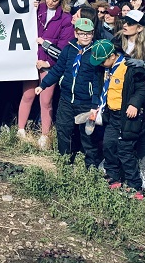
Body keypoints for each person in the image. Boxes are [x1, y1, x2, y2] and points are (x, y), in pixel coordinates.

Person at [37, 17, 101, 165]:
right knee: (63, 130)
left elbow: (97, 80)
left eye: (89, 33)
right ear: (76, 33)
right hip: (66, 99)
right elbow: (58, 69)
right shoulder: (69, 48)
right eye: (82, 33)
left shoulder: (95, 52)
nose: (85, 36)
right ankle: (64, 162)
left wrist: (95, 103)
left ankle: (90, 166)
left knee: (87, 135)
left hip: (85, 102)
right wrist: (44, 84)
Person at [91, 39, 145, 198]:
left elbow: (143, 89)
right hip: (112, 116)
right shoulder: (105, 69)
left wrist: (134, 104)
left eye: (103, 61)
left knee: (125, 151)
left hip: (128, 117)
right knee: (109, 145)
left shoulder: (130, 68)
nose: (101, 64)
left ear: (112, 56)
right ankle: (113, 178)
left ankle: (134, 186)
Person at [19, 0, 73, 150]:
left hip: (49, 63)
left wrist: (49, 63)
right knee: (27, 95)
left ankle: (44, 134)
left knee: (46, 100)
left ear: (61, 0)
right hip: (30, 60)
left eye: (54, 0)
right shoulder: (38, 10)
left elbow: (64, 46)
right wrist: (30, 7)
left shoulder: (65, 18)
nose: (50, 2)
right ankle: (20, 130)